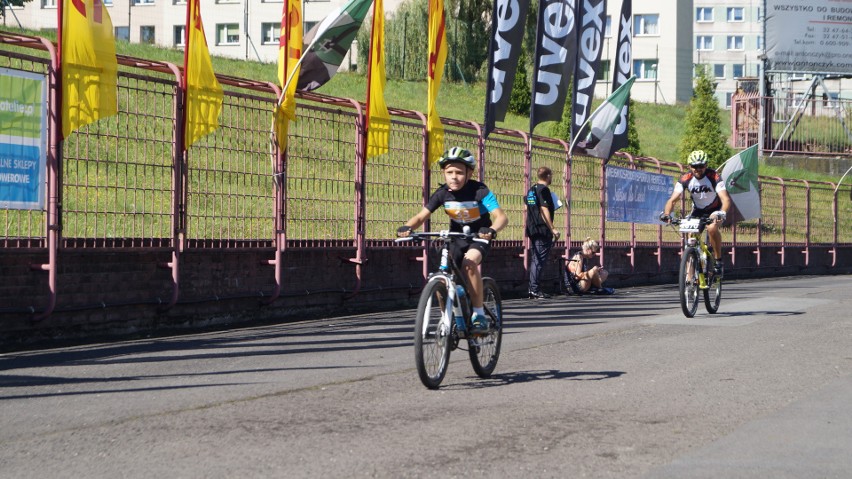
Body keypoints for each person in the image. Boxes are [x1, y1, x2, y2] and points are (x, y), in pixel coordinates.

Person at [397, 147, 508, 334]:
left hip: (478, 237)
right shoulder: (442, 193)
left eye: (459, 172)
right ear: (444, 173)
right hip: (456, 239)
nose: (454, 177)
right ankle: (447, 318)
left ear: (469, 173)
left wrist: (491, 229)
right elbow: (421, 216)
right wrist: (407, 227)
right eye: (449, 172)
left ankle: (479, 315)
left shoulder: (479, 191)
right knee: (442, 274)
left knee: (469, 263)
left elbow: (501, 217)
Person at [659, 149, 732, 276]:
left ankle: (718, 261)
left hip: (714, 209)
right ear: (689, 167)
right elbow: (673, 200)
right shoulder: (685, 179)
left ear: (706, 165)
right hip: (697, 210)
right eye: (694, 166)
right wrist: (667, 214)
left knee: (712, 228)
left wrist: (722, 212)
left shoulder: (714, 176)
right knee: (690, 236)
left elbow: (725, 199)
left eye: (701, 166)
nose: (698, 169)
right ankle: (690, 276)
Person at [525, 166, 560, 299]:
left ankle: (533, 288)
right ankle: (534, 289)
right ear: (548, 176)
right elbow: (544, 209)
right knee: (539, 260)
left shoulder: (531, 190)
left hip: (532, 228)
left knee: (536, 258)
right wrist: (553, 229)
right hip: (542, 228)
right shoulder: (544, 190)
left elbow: (528, 207)